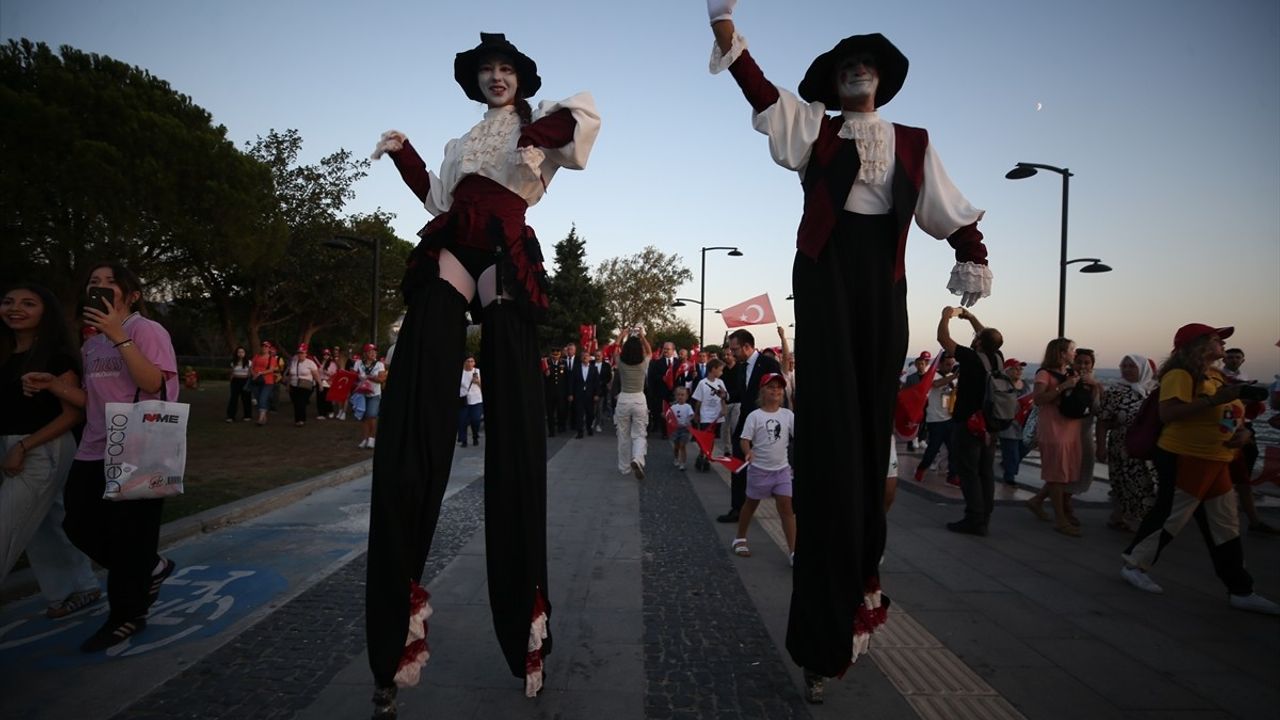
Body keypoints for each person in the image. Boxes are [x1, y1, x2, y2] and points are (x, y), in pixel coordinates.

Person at [705, 2, 995, 692]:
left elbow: (947, 210)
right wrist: (728, 37)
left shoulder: (912, 141)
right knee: (833, 432)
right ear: (834, 84)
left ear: (881, 78)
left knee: (869, 426)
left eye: (865, 63)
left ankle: (862, 554)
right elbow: (763, 95)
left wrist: (972, 251)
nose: (856, 70)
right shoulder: (818, 131)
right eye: (844, 66)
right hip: (827, 275)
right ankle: (826, 601)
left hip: (883, 282)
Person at [365, 31, 599, 712]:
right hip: (453, 247)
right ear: (476, 82)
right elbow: (439, 200)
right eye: (487, 71)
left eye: (506, 70)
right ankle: (394, 626)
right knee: (420, 381)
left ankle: (524, 627)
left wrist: (536, 132)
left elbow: (581, 122)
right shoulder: (459, 142)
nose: (496, 78)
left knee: (515, 425)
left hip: (503, 247)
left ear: (520, 79)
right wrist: (404, 153)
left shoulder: (542, 121)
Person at [22, 263, 179, 650]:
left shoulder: (146, 330)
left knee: (130, 535)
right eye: (95, 282)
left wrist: (118, 335)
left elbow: (153, 382)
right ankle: (148, 568)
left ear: (132, 294)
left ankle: (127, 616)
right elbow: (95, 400)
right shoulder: (91, 344)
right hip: (95, 445)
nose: (102, 287)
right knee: (78, 524)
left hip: (140, 443)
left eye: (111, 282)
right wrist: (55, 385)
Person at [1119, 324, 1279, 615]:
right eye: (1215, 339)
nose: (1221, 344)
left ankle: (1240, 588)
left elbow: (1229, 411)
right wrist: (1214, 400)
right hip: (1186, 455)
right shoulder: (1181, 374)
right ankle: (1134, 564)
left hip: (1218, 457)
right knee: (1173, 515)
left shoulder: (1216, 375)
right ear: (1196, 345)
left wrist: (1241, 433)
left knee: (1225, 523)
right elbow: (1169, 413)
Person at [1, 284, 101, 619]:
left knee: (6, 527)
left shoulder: (56, 356)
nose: (16, 308)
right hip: (13, 445)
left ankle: (78, 587)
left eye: (28, 303)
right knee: (46, 527)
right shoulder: (7, 353)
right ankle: (74, 589)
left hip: (42, 448)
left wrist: (24, 446)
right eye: (9, 302)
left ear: (46, 313)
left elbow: (73, 413)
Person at [937, 306, 1005, 535]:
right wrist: (972, 318)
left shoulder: (971, 357)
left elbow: (943, 339)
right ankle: (985, 515)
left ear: (978, 343)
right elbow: (987, 336)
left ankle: (974, 518)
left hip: (968, 423)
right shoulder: (997, 358)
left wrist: (946, 315)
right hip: (990, 424)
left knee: (968, 471)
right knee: (986, 470)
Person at [717, 329, 782, 524]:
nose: (732, 353)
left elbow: (776, 393)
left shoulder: (769, 364)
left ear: (747, 346)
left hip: (764, 424)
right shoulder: (741, 367)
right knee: (738, 464)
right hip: (745, 422)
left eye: (735, 349)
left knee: (770, 466)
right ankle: (738, 508)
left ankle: (783, 505)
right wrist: (727, 396)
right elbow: (742, 393)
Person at [732, 373, 797, 565]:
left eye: (779, 387)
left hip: (782, 470)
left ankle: (794, 551)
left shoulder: (788, 415)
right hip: (759, 470)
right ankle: (740, 537)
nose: (775, 390)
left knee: (786, 507)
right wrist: (748, 451)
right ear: (763, 391)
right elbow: (745, 439)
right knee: (751, 504)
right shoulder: (755, 416)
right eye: (771, 387)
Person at [1024, 338, 1084, 536]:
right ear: (1061, 353)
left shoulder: (1070, 373)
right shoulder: (1044, 374)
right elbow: (1039, 399)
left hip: (1070, 429)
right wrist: (1062, 387)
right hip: (1053, 430)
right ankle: (1061, 519)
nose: (1074, 354)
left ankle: (1037, 501)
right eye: (1071, 350)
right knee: (1057, 475)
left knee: (1062, 474)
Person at [1096, 354, 1158, 531]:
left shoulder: (1154, 392)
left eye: (1132, 366)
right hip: (1123, 445)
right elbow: (1102, 421)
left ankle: (1140, 517)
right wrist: (1100, 447)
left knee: (1148, 482)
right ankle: (1125, 517)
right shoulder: (1115, 392)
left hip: (1149, 445)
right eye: (1124, 366)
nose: (1127, 370)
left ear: (1144, 369)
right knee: (1124, 481)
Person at [1220, 347, 1277, 535]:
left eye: (1237, 357)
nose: (1234, 360)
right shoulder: (1219, 378)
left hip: (1244, 426)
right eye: (1230, 357)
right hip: (1228, 426)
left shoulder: (1245, 377)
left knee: (1243, 476)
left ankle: (1253, 520)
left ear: (1243, 360)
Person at [1061, 348, 1102, 522]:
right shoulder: (1066, 380)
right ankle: (1065, 506)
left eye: (1087, 363)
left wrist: (1094, 388)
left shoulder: (1095, 385)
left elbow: (1098, 409)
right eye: (1079, 362)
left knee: (1082, 469)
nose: (1083, 365)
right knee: (1067, 470)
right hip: (1066, 432)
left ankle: (1042, 500)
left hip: (1084, 432)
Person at [912, 352, 958, 485]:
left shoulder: (952, 377)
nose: (950, 367)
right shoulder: (932, 375)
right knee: (933, 448)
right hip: (935, 420)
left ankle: (953, 475)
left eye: (952, 364)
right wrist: (954, 376)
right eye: (948, 364)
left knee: (953, 449)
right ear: (941, 363)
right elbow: (936, 384)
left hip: (949, 418)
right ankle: (921, 468)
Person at [615, 329, 651, 479]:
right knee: (639, 433)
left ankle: (624, 468)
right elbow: (650, 350)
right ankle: (637, 458)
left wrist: (622, 335)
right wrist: (642, 336)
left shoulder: (620, 362)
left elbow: (616, 347)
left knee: (623, 435)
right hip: (639, 399)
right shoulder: (644, 363)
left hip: (623, 399)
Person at [691, 357, 728, 471]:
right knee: (705, 437)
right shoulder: (702, 383)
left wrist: (724, 406)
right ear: (713, 369)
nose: (722, 372)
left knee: (711, 439)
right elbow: (698, 400)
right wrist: (697, 414)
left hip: (716, 416)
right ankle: (702, 455)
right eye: (720, 370)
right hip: (705, 415)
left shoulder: (720, 382)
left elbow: (724, 397)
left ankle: (707, 456)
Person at [997, 359, 1029, 486]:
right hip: (1008, 423)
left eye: (1020, 369)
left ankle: (1008, 465)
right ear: (1007, 370)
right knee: (1011, 451)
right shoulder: (1002, 385)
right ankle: (1009, 476)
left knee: (1024, 447)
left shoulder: (1025, 384)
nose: (1019, 371)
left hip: (1024, 422)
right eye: (1016, 368)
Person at [353, 343, 386, 449]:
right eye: (370, 351)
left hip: (374, 394)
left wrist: (368, 377)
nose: (373, 353)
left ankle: (372, 438)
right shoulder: (358, 363)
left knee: (371, 415)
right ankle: (365, 438)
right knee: (363, 416)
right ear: (365, 353)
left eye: (374, 351)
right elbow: (352, 377)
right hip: (361, 393)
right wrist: (358, 378)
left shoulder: (379, 364)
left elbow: (382, 379)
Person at [901, 351, 932, 451]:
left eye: (922, 364)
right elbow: (905, 391)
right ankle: (912, 440)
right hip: (914, 404)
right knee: (913, 422)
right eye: (918, 364)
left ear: (926, 364)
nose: (920, 366)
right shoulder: (910, 378)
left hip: (926, 402)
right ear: (915, 365)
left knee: (924, 421)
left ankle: (922, 439)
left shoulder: (929, 377)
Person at [285, 343, 321, 427]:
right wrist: (288, 384)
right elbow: (290, 374)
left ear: (305, 353)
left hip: (305, 385)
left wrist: (320, 384)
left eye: (302, 353)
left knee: (301, 402)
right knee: (296, 402)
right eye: (299, 353)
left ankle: (301, 420)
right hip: (294, 385)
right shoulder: (294, 362)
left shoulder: (310, 363)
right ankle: (297, 419)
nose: (300, 354)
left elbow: (316, 374)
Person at [647, 341, 677, 438]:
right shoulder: (656, 363)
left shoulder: (679, 363)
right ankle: (665, 432)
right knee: (663, 413)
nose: (665, 351)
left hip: (675, 393)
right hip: (661, 393)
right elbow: (652, 378)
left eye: (668, 349)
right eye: (664, 348)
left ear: (673, 350)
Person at [568, 348, 600, 438]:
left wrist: (597, 394)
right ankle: (580, 432)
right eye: (583, 356)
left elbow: (596, 383)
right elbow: (572, 382)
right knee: (579, 414)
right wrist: (570, 394)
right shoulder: (576, 368)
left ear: (589, 358)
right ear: (581, 358)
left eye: (586, 356)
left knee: (590, 414)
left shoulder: (594, 369)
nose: (585, 358)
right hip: (579, 395)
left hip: (590, 396)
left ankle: (589, 428)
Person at [249, 341, 278, 425]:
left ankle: (260, 419)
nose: (264, 348)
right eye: (263, 346)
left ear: (269, 348)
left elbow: (271, 369)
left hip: (267, 381)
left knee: (263, 398)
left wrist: (260, 373)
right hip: (256, 380)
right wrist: (253, 374)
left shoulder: (272, 358)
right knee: (258, 399)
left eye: (266, 347)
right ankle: (264, 417)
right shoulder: (256, 356)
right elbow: (251, 367)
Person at [458, 356, 483, 447]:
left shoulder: (478, 372)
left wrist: (478, 382)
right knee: (463, 421)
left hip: (477, 400)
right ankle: (464, 441)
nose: (470, 363)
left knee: (476, 420)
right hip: (463, 401)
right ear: (464, 362)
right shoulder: (461, 373)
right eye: (468, 361)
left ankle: (475, 436)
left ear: (474, 363)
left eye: (472, 361)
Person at [544, 346, 568, 437]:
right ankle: (551, 431)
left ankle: (561, 426)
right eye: (554, 353)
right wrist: (546, 375)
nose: (555, 355)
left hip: (561, 393)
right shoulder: (547, 364)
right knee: (550, 413)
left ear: (560, 354)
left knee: (561, 411)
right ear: (551, 354)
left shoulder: (563, 363)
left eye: (557, 353)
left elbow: (566, 379)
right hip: (550, 393)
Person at [669, 386, 695, 470]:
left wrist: (690, 418)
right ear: (675, 396)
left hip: (685, 429)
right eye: (678, 395)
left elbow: (691, 415)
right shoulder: (673, 407)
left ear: (686, 396)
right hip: (676, 429)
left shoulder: (688, 407)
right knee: (676, 446)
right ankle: (676, 458)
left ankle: (683, 463)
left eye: (682, 395)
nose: (680, 397)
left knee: (682, 446)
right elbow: (669, 415)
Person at [226, 346, 252, 422]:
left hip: (245, 381)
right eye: (239, 352)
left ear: (245, 353)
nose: (240, 354)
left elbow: (250, 373)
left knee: (246, 399)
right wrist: (231, 380)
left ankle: (247, 415)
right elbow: (232, 373)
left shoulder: (249, 362)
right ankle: (230, 416)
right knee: (233, 399)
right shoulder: (233, 362)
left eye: (242, 352)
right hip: (235, 381)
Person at [316, 348, 339, 420]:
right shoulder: (320, 363)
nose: (326, 356)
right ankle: (321, 413)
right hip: (320, 381)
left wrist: (327, 373)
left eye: (327, 354)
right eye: (324, 354)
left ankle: (330, 410)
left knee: (327, 398)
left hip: (328, 382)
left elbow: (334, 374)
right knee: (320, 398)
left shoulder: (332, 364)